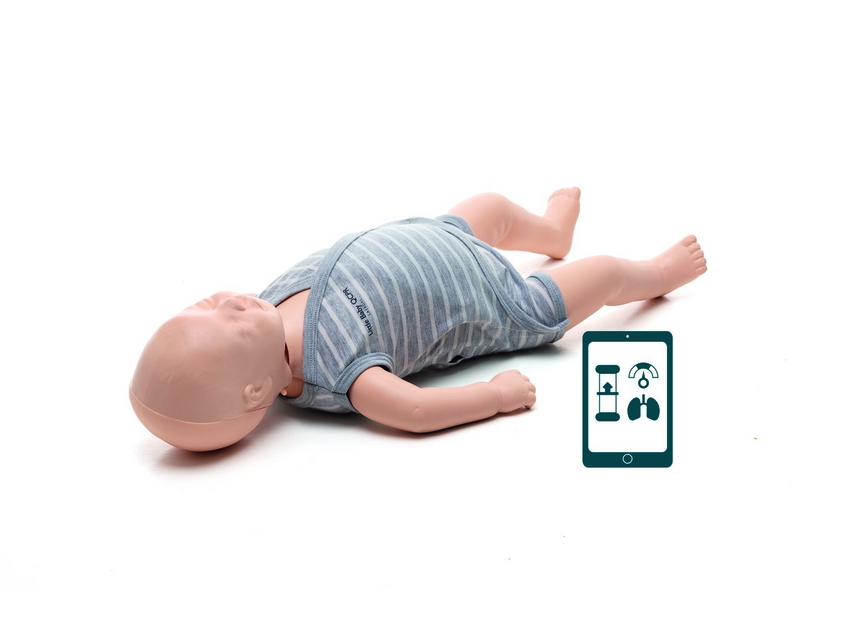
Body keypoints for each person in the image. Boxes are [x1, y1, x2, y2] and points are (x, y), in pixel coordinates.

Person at [129, 188, 706, 451]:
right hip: (495, 299)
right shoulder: (341, 372)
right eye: (229, 322)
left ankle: (551, 231)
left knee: (491, 206)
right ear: (256, 390)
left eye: (210, 301)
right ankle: (657, 273)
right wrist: (495, 396)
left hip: (441, 234)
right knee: (600, 273)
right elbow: (414, 411)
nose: (231, 300)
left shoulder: (266, 305)